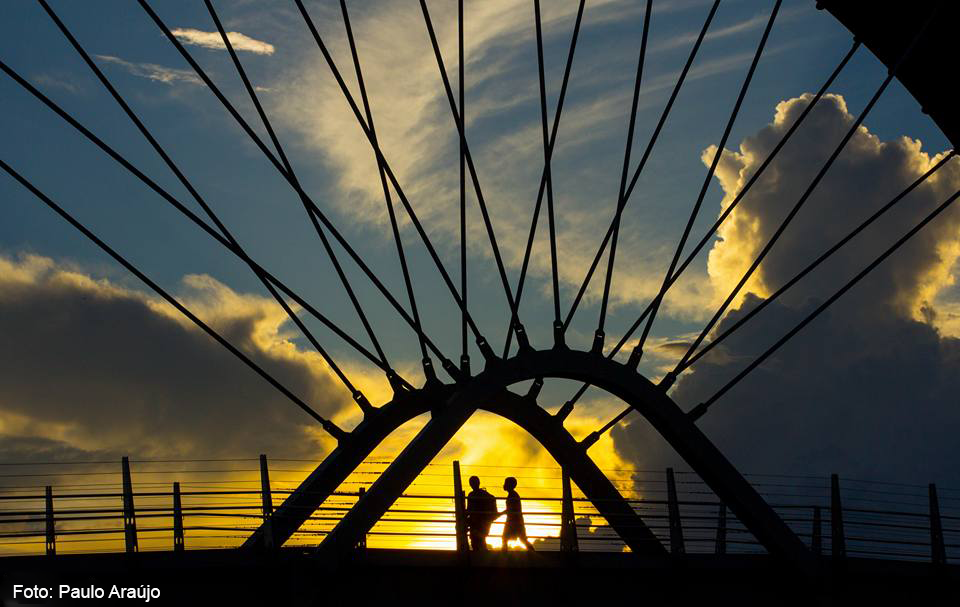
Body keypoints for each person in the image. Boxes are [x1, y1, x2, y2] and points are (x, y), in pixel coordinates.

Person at [501, 476, 535, 551]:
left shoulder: (512, 495)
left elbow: (510, 509)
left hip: (513, 521)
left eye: (506, 483)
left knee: (505, 538)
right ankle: (533, 553)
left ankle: (503, 555)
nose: (504, 485)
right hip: (516, 520)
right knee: (522, 539)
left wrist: (500, 514)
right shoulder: (513, 494)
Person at [465, 476, 496, 551]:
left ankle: (480, 557)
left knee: (476, 542)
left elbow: (469, 510)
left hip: (476, 523)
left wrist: (464, 518)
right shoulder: (485, 494)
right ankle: (483, 556)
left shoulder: (472, 495)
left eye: (472, 483)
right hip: (484, 523)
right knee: (481, 541)